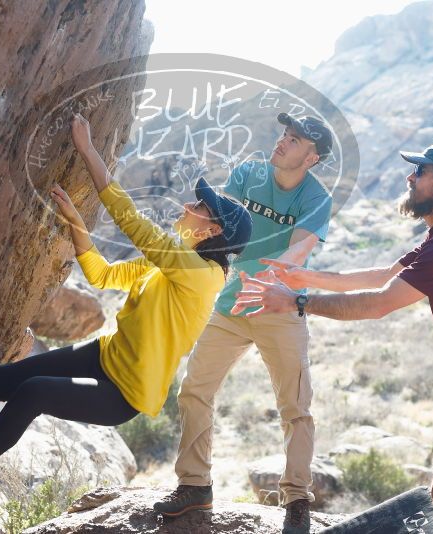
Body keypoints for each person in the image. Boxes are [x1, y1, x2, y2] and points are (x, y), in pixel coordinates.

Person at [0, 113, 252, 505]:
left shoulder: (201, 275)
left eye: (200, 205)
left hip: (125, 393)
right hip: (105, 356)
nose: (189, 203)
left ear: (213, 229)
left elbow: (132, 221)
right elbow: (102, 275)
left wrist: (88, 151)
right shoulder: (176, 261)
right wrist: (76, 223)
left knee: (33, 393)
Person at [232, 140, 433, 534]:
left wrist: (297, 301)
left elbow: (378, 303)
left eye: (421, 171)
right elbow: (379, 276)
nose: (410, 177)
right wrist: (303, 277)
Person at [154, 113, 333, 534]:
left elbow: (298, 253)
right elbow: (218, 225)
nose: (283, 143)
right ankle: (195, 485)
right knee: (195, 389)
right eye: (284, 135)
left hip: (278, 309)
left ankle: (296, 500)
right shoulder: (249, 173)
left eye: (295, 140)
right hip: (230, 306)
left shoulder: (316, 199)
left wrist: (266, 282)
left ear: (313, 157)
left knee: (295, 408)